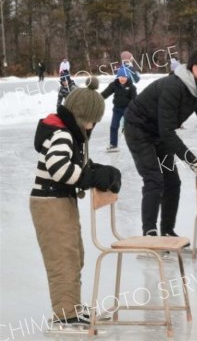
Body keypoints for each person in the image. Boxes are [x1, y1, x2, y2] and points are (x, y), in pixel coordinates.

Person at [30, 76, 121, 330]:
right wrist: (88, 177)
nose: (92, 126)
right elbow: (59, 169)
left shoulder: (68, 134)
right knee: (62, 258)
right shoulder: (62, 135)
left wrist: (100, 172)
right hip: (49, 203)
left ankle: (71, 307)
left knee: (74, 254)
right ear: (81, 117)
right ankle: (64, 315)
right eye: (92, 121)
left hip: (59, 201)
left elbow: (76, 166)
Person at [124, 48, 197, 237]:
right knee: (154, 179)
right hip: (139, 130)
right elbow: (167, 132)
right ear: (196, 69)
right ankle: (149, 234)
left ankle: (167, 231)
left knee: (172, 181)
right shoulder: (173, 86)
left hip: (160, 133)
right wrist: (193, 162)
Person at [101, 70, 137, 152]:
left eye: (124, 77)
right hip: (117, 109)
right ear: (118, 77)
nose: (122, 79)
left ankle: (136, 143)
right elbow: (105, 93)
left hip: (127, 109)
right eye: (121, 77)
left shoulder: (131, 87)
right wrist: (97, 98)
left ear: (127, 77)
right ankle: (113, 144)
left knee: (130, 127)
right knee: (113, 127)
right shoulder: (114, 85)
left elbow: (135, 99)